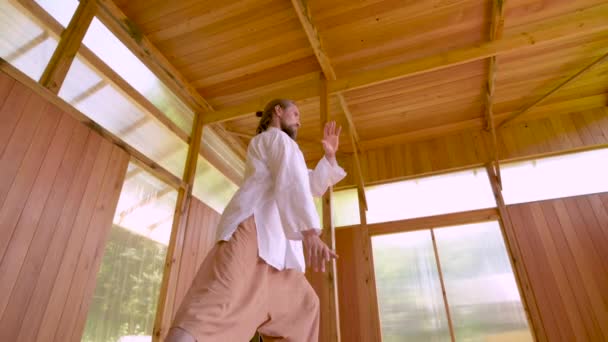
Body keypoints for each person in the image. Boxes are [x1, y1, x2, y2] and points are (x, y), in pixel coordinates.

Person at [165, 98, 347, 342]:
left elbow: (308, 185)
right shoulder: (275, 139)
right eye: (295, 113)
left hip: (277, 250)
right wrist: (310, 234)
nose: (299, 120)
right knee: (215, 303)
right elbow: (292, 179)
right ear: (277, 111)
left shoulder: (284, 148)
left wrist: (329, 157)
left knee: (306, 306)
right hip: (251, 231)